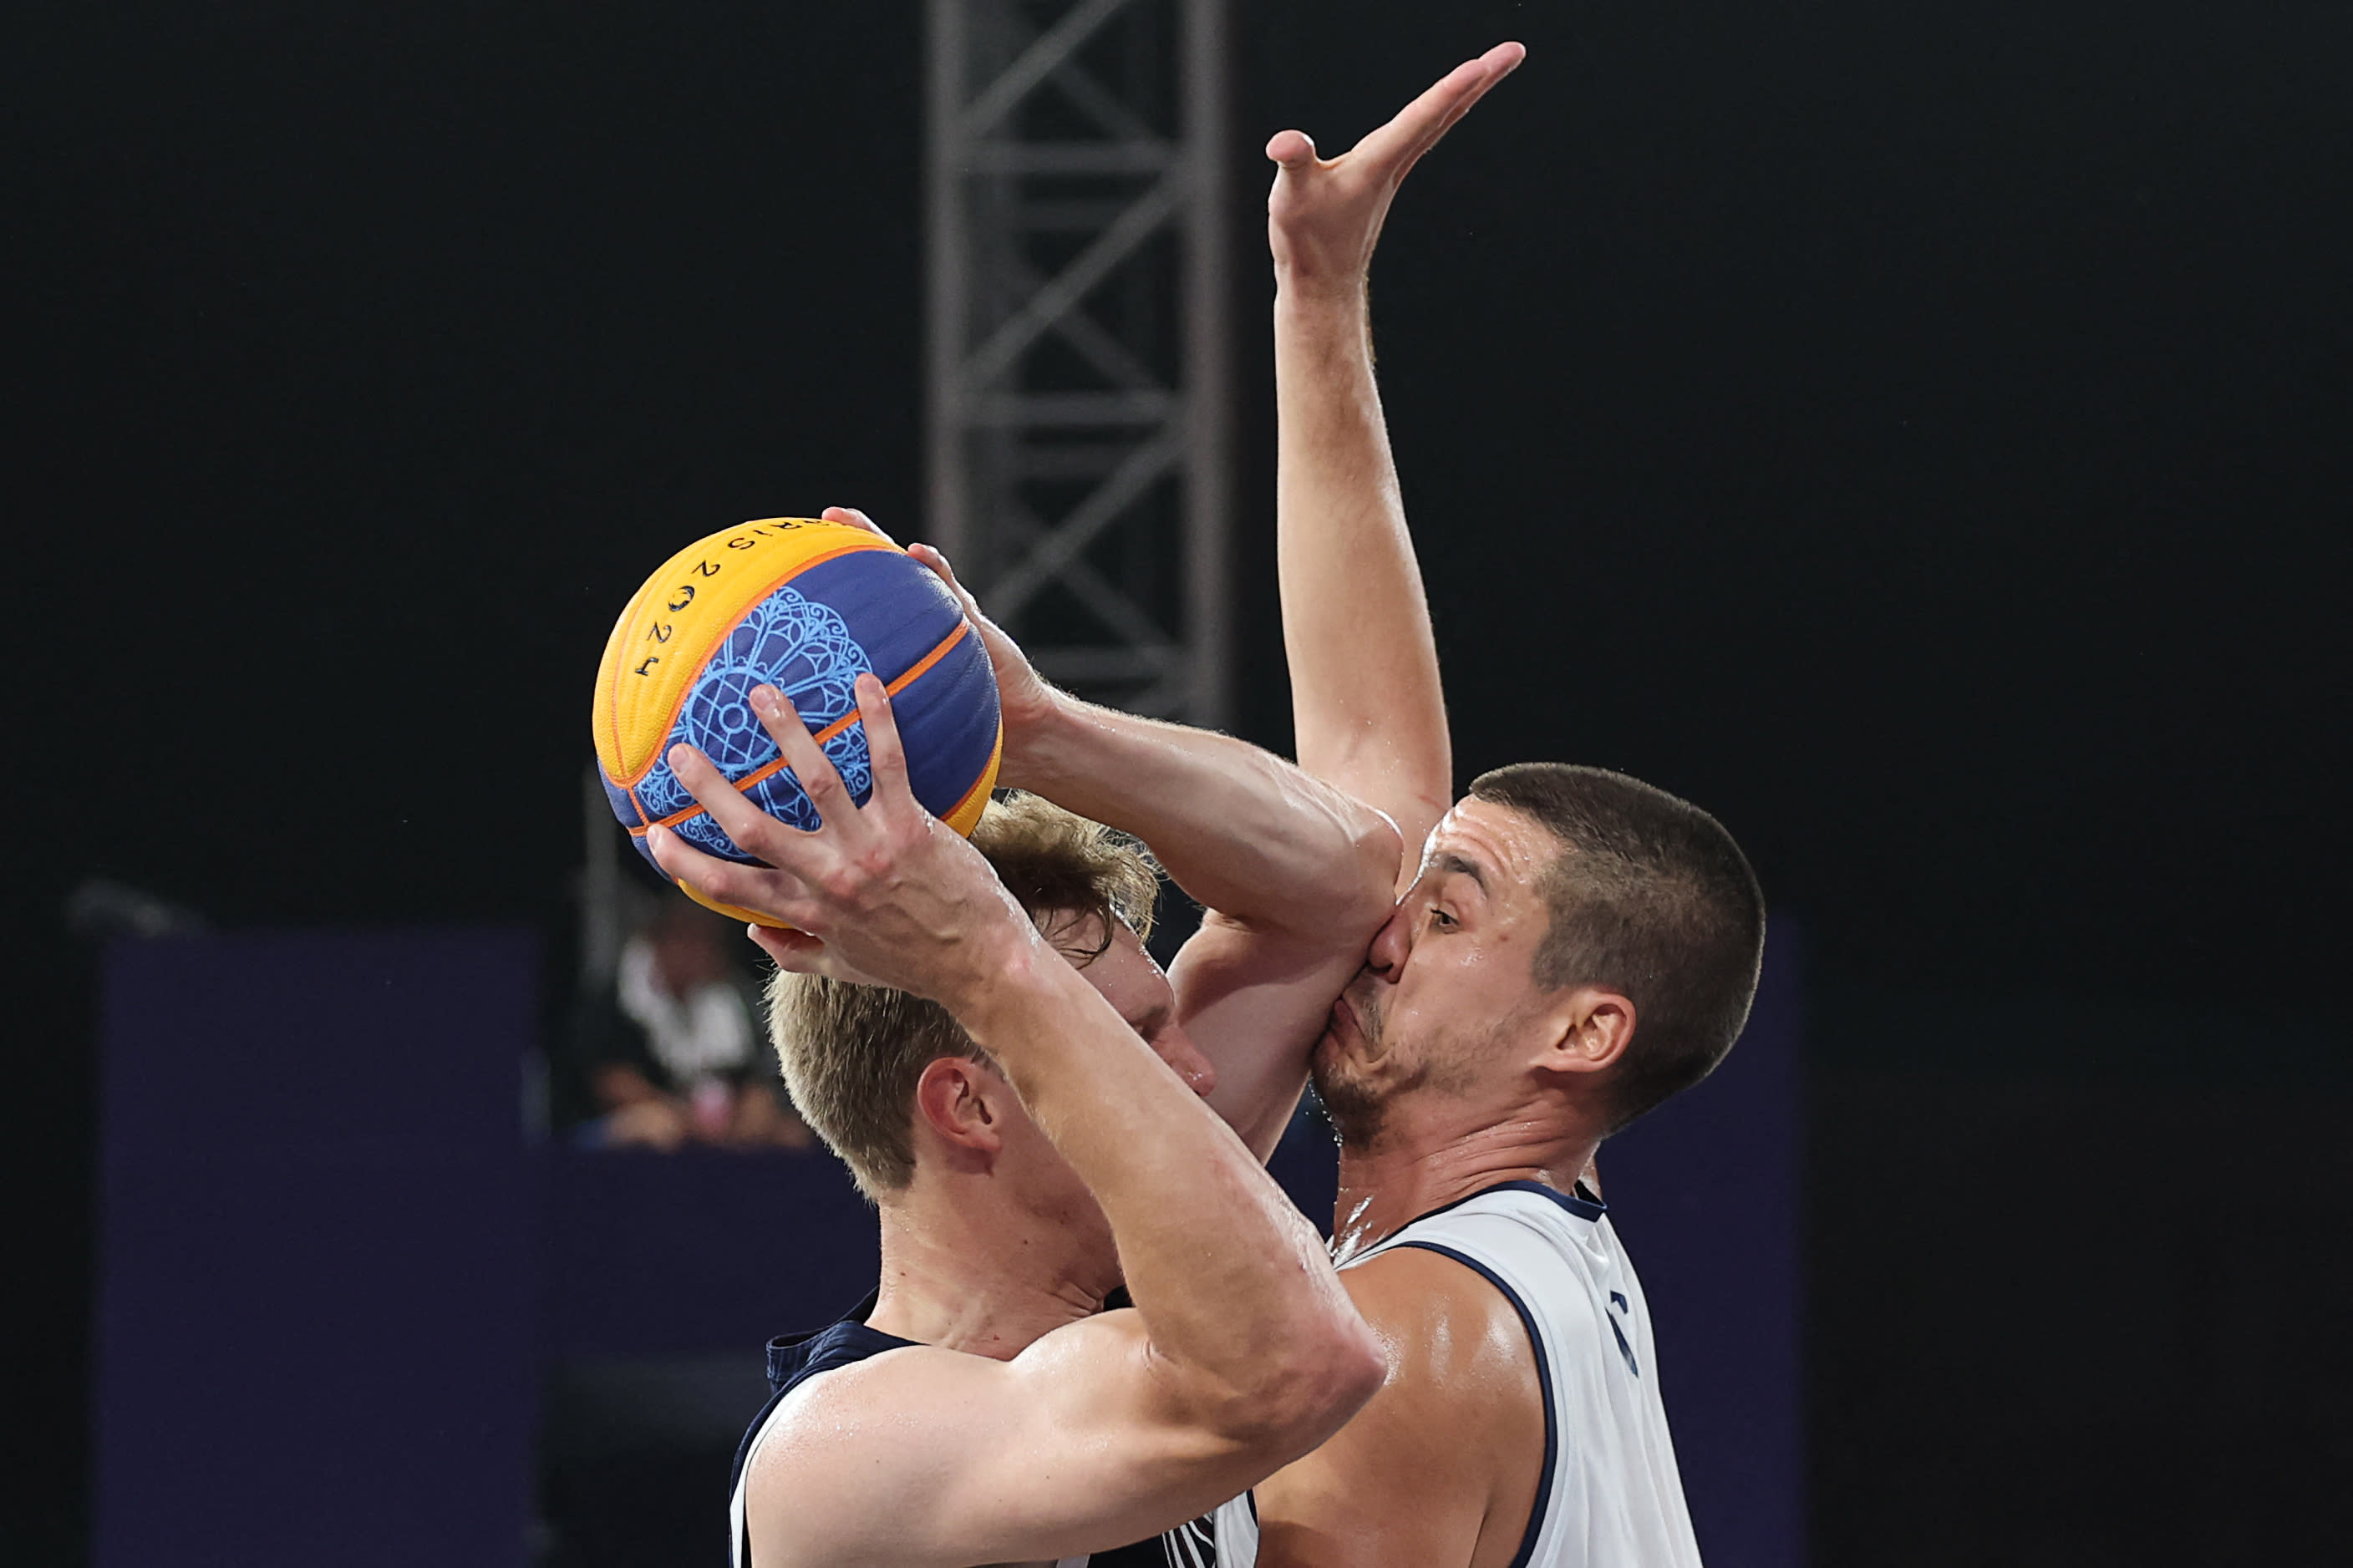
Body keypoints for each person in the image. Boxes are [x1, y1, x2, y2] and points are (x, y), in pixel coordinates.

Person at [649, 682, 1386, 1567]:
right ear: (969, 1107)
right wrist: (988, 963)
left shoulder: (1150, 1250)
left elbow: (1342, 887)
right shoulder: (838, 1451)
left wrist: (1031, 725)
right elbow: (1306, 1365)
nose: (1195, 1073)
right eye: (1132, 1042)